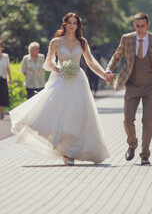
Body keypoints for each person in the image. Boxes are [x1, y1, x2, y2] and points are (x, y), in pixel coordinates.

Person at [9, 12, 110, 165]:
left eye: (74, 23)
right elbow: (48, 63)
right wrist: (58, 69)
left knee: (77, 115)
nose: (71, 25)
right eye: (69, 22)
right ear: (65, 24)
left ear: (78, 26)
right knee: (59, 114)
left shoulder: (82, 42)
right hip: (61, 80)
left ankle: (73, 151)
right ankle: (66, 151)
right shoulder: (56, 42)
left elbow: (91, 62)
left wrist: (104, 74)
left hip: (78, 81)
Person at [105, 12, 152, 165]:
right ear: (134, 26)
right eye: (137, 26)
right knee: (128, 120)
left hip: (151, 86)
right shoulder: (127, 39)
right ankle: (132, 144)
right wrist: (109, 70)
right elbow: (117, 56)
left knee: (147, 120)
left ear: (147, 26)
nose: (139, 29)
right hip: (131, 85)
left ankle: (145, 154)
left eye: (142, 26)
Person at [0, 40, 12, 119]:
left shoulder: (5, 56)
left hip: (3, 78)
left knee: (2, 96)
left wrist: (10, 78)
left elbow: (8, 68)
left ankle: (1, 112)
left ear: (2, 48)